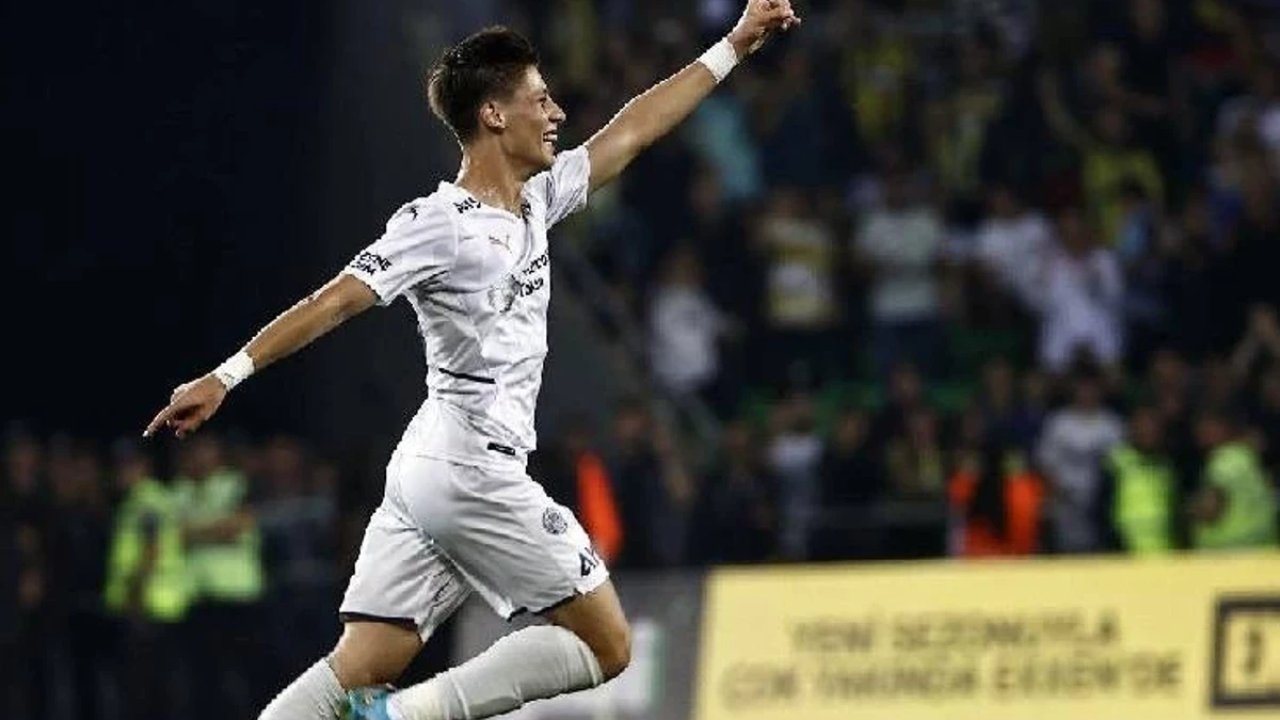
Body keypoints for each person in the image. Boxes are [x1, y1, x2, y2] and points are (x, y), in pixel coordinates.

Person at [142, 4, 802, 720]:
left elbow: (634, 129)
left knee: (361, 665)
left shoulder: (538, 199)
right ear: (493, 114)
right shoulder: (438, 224)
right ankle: (402, 718)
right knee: (607, 644)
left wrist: (735, 44)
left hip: (431, 466)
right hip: (471, 469)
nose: (556, 113)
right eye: (539, 100)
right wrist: (227, 375)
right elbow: (335, 300)